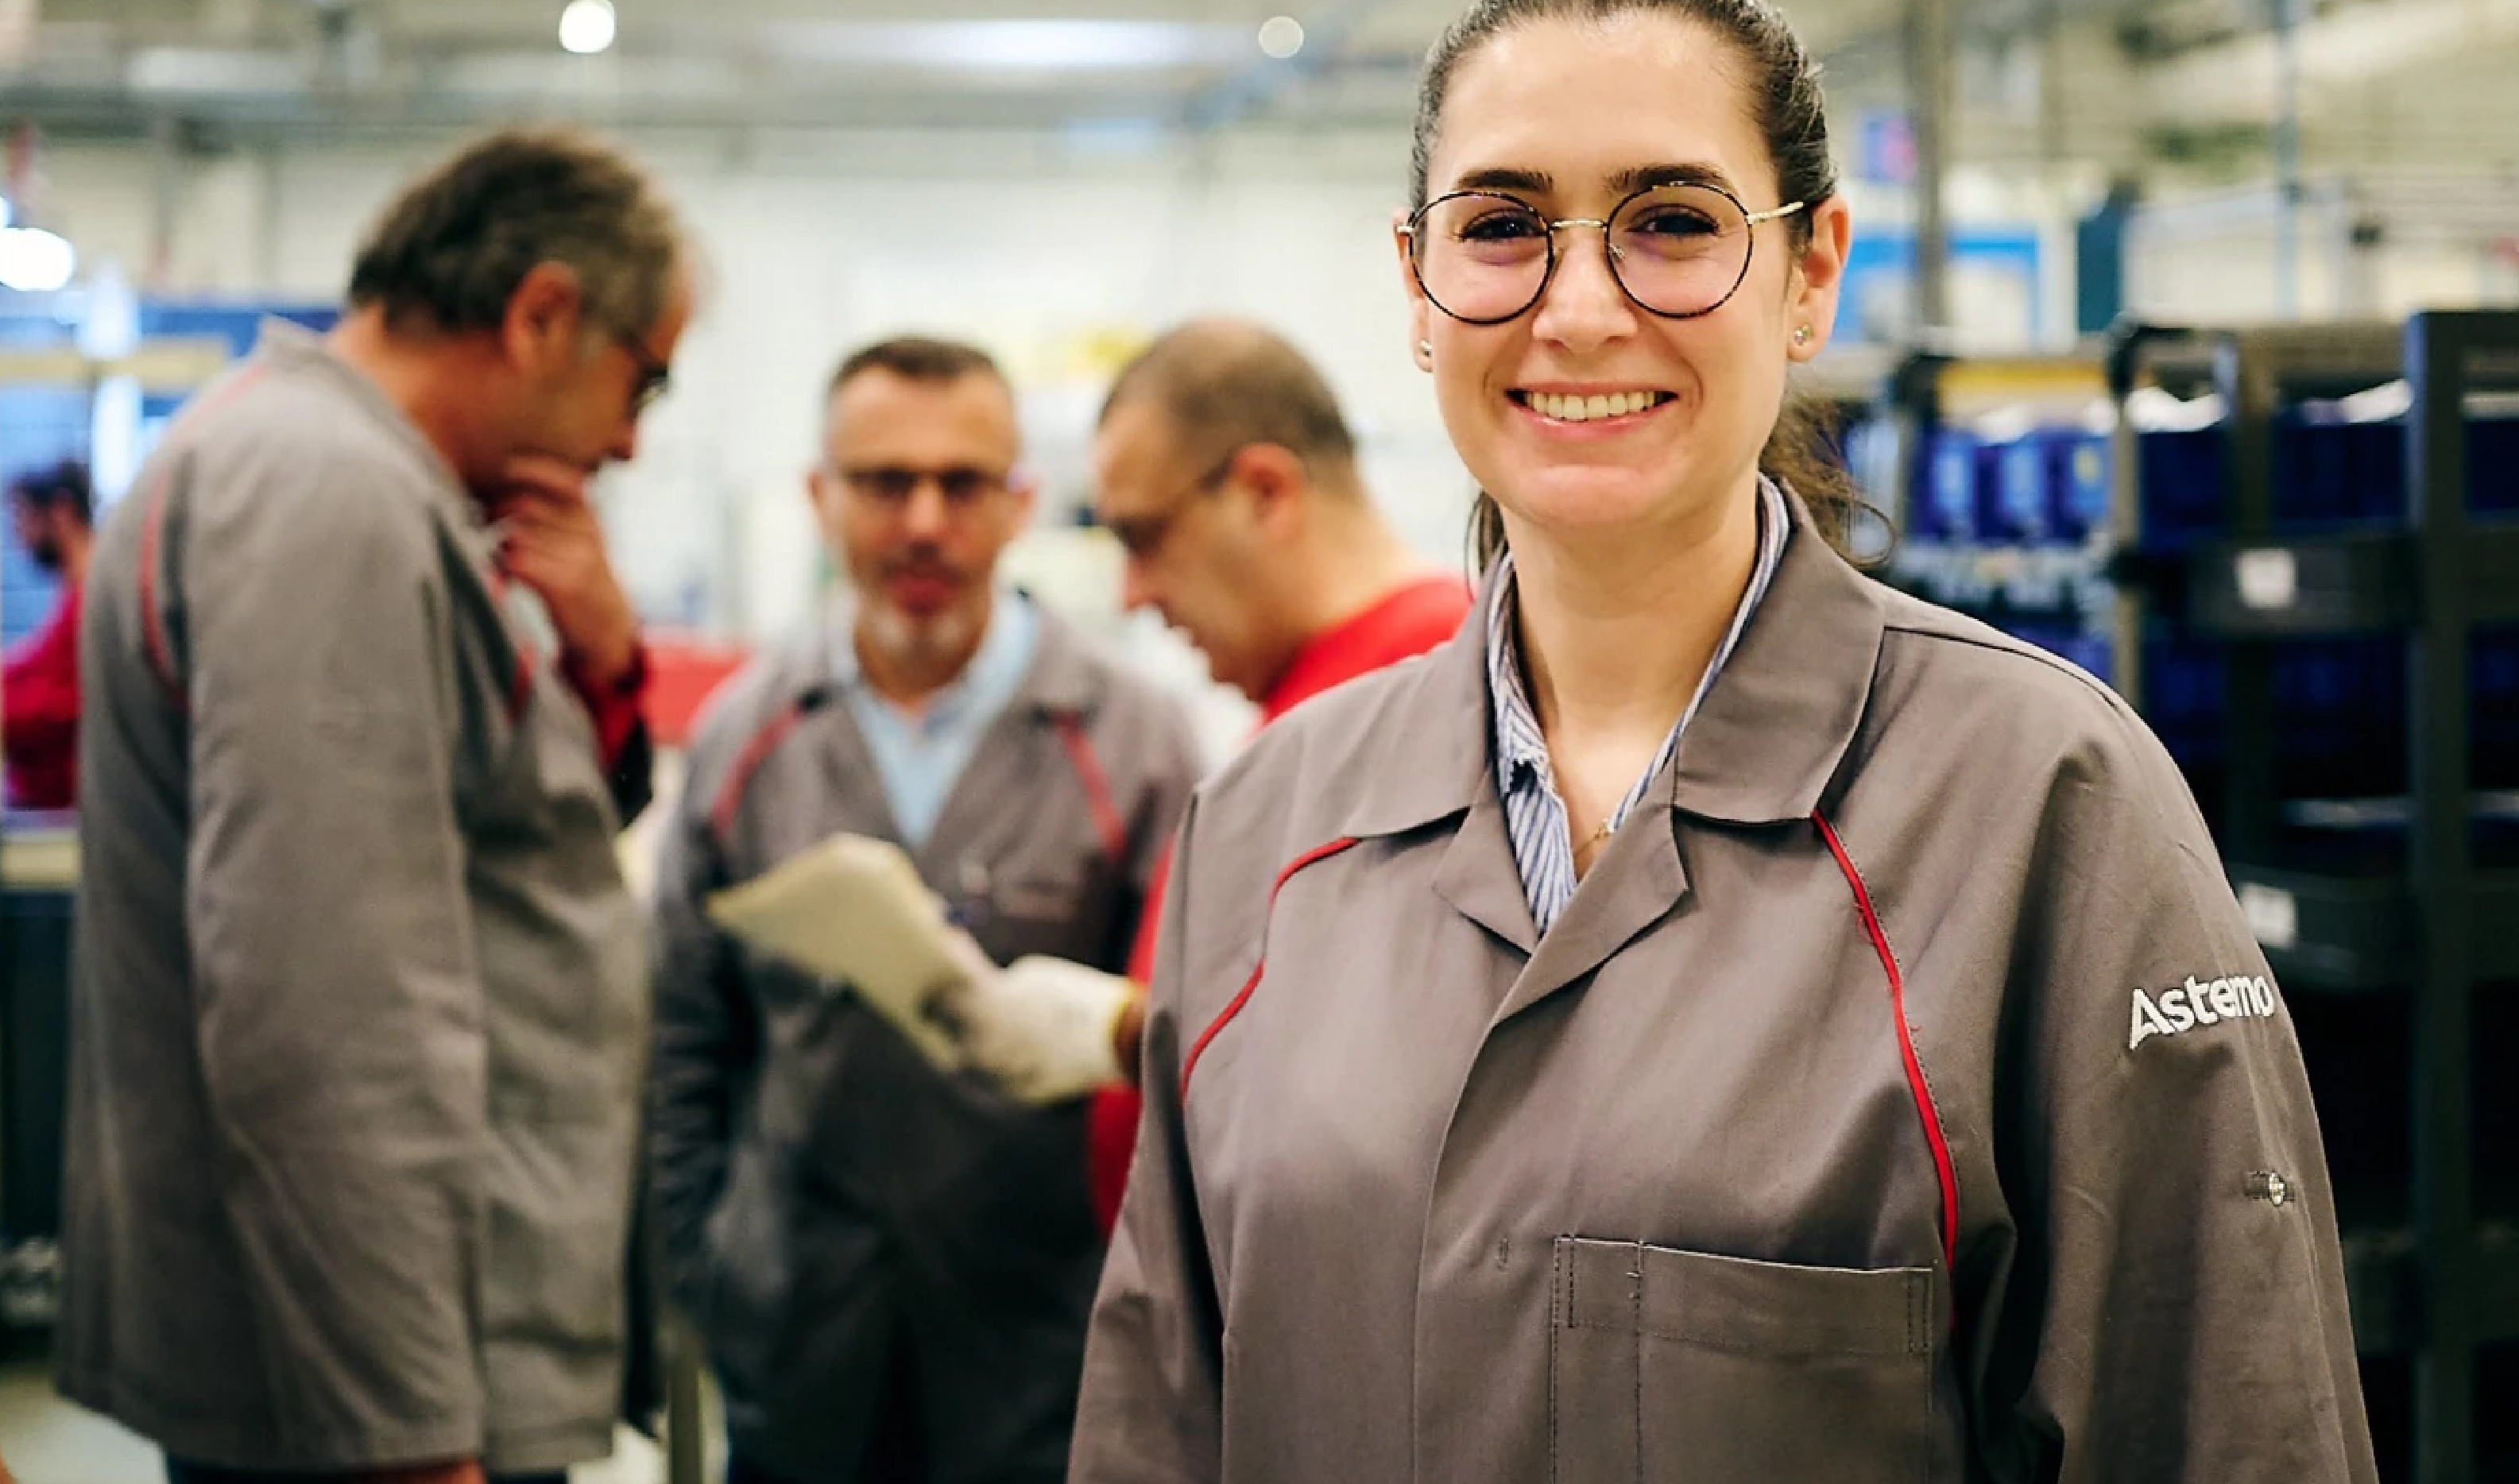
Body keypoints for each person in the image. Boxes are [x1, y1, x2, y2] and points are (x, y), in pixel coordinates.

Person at [1070, 0, 2378, 1480]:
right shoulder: (1263, 828)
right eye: (1501, 224)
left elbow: (2222, 1431)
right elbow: (1153, 1421)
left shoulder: (2041, 809)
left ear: (1808, 272)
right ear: (1417, 283)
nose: (1576, 311)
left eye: (1671, 220)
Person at [60, 126, 688, 1484]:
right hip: (376, 1393)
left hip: (378, 1362)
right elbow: (329, 1010)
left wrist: (599, 658)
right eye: (645, 378)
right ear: (541, 317)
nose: (631, 440)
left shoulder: (330, 474)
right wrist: (408, 1435)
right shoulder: (328, 498)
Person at [648, 336, 1201, 1484]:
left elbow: (1183, 1052)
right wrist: (707, 1268)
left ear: (1019, 504)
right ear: (820, 497)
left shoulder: (1132, 740)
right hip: (797, 1345)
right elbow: (681, 1036)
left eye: (962, 483)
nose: (922, 522)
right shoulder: (748, 734)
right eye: (883, 482)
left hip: (1038, 1350)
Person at [1082, 319, 1470, 1227]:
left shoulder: (1429, 693)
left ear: (1264, 491)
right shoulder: (1321, 699)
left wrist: (1119, 1034)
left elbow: (1381, 1084)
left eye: (1144, 538)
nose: (1130, 595)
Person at [3, 459, 93, 810]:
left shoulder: (93, 595)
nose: (19, 537)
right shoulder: (74, 591)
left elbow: (69, 700)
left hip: (73, 806)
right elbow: (43, 663)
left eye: (24, 519)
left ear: (61, 511)